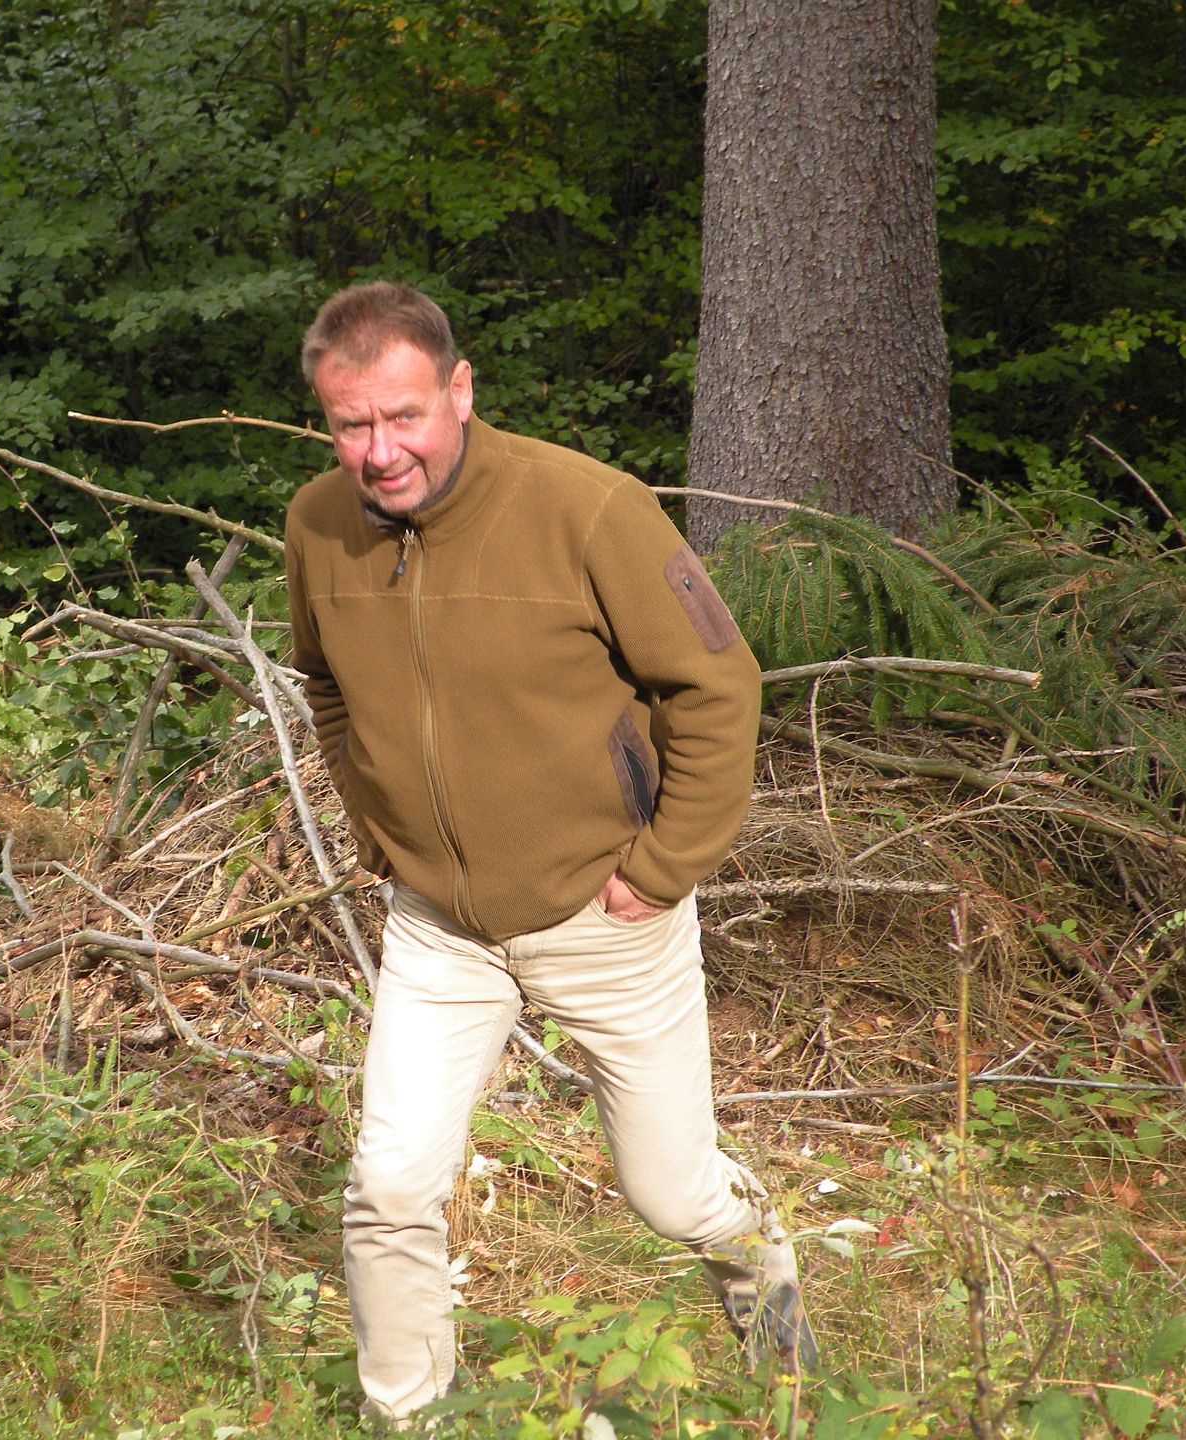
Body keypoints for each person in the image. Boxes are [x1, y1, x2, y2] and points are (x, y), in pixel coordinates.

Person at [283, 281, 816, 1426]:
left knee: (672, 1192)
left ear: (460, 390)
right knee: (390, 1185)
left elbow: (717, 685)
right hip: (440, 926)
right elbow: (323, 684)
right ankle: (409, 1416)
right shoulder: (317, 525)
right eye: (350, 425)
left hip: (606, 913)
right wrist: (378, 831)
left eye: (404, 416)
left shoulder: (587, 508)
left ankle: (773, 1311)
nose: (379, 451)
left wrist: (660, 869)